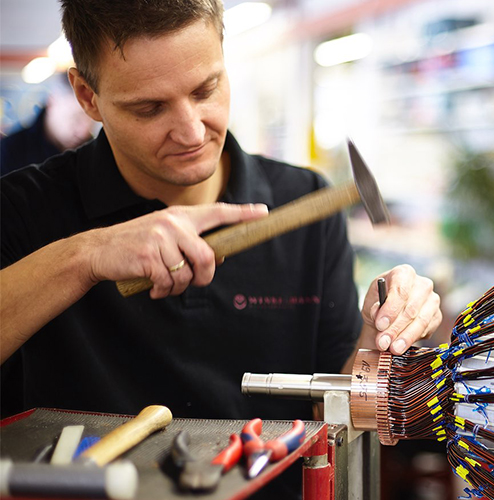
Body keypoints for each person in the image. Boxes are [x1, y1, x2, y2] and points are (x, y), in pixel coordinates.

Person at [0, 0, 441, 475]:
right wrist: (84, 256)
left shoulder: (306, 202)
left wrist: (376, 344)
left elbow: (328, 415)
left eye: (206, 88)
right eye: (149, 108)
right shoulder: (22, 209)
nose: (191, 130)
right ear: (88, 97)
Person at [0, 72, 95, 175]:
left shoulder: (99, 153)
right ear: (52, 103)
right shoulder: (8, 152)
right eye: (75, 119)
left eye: (92, 119)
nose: (84, 131)